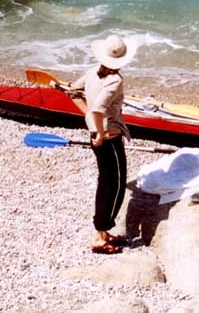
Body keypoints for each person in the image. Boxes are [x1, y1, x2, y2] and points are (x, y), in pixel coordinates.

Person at [69, 34, 137, 254]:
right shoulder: (115, 80)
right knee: (115, 185)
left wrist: (89, 119)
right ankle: (100, 237)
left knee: (105, 182)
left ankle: (102, 231)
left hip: (98, 134)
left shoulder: (91, 73)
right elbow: (98, 108)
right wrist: (99, 131)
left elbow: (73, 92)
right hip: (108, 136)